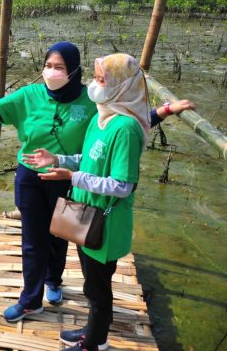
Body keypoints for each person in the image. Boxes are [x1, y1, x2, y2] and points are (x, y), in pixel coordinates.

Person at [0, 42, 194, 323]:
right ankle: (30, 300)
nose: (51, 72)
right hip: (31, 177)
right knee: (33, 240)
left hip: (67, 177)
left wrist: (165, 111)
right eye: (48, 66)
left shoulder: (91, 100)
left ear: (74, 71)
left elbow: (126, 123)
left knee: (62, 233)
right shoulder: (30, 95)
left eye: (59, 67)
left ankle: (54, 280)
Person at [23, 53, 190, 351]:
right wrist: (58, 158)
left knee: (99, 291)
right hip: (87, 215)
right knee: (90, 284)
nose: (94, 84)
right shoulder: (103, 116)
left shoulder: (124, 129)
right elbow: (86, 159)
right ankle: (91, 330)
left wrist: (72, 178)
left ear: (121, 86)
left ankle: (95, 343)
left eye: (101, 80)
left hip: (106, 223)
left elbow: (122, 186)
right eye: (96, 77)